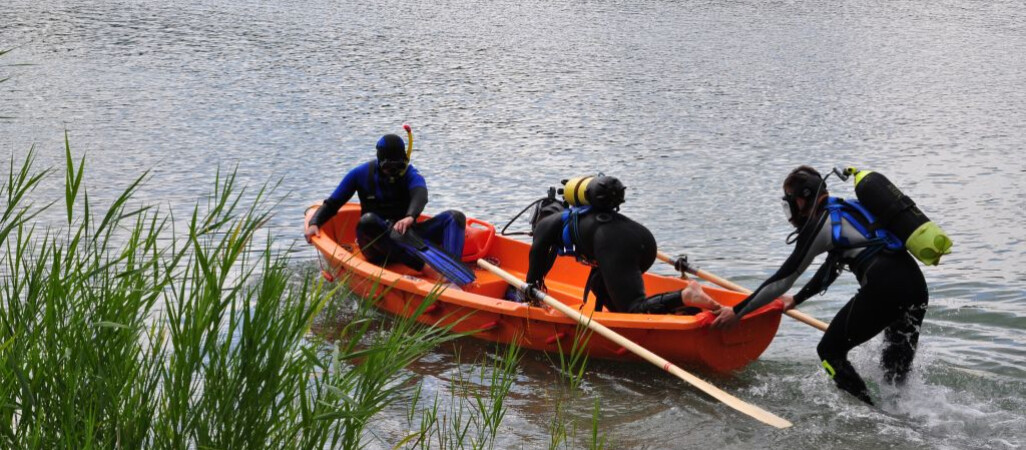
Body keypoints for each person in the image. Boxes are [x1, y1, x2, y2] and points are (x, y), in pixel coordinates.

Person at [712, 166, 929, 405]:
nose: (791, 210)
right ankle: (907, 416)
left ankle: (872, 416)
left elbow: (783, 279)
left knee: (829, 352)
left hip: (886, 288)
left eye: (790, 202)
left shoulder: (821, 224)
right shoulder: (844, 210)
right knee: (894, 375)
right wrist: (796, 300)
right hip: (915, 287)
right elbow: (832, 267)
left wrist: (737, 312)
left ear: (803, 199)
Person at [523, 175, 722, 314]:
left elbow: (534, 269)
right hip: (642, 240)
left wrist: (529, 293)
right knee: (598, 284)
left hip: (614, 245)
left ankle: (685, 295)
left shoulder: (545, 227)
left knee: (633, 305)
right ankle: (658, 316)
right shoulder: (582, 215)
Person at [305, 133, 470, 283]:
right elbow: (334, 202)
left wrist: (410, 216)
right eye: (388, 168)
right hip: (377, 245)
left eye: (396, 168)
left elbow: (421, 193)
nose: (392, 173)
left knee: (455, 217)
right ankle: (426, 268)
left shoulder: (409, 173)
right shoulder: (360, 173)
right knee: (368, 221)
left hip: (408, 237)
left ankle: (452, 272)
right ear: (379, 161)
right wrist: (315, 222)